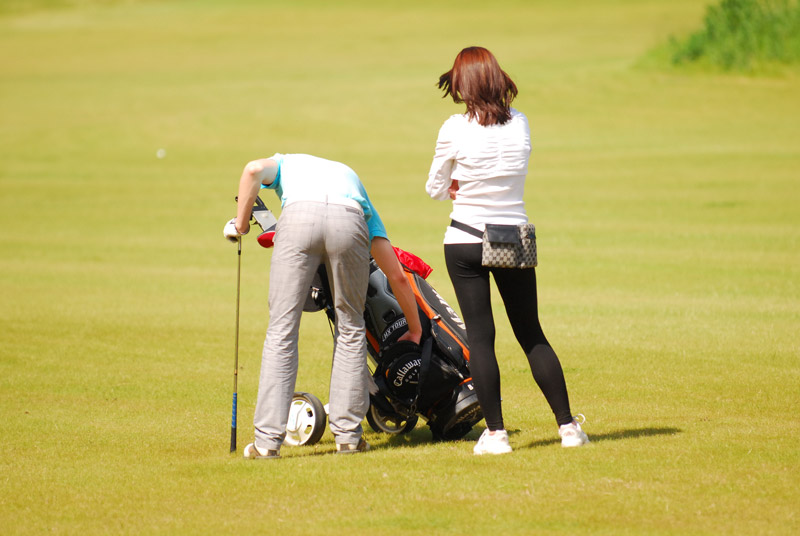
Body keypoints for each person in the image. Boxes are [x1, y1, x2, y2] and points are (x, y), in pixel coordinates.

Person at [425, 46, 589, 455]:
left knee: (481, 338)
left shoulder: (453, 128)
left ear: (463, 85)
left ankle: (496, 434)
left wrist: (454, 186)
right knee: (531, 332)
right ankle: (568, 428)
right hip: (512, 237)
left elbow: (434, 188)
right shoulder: (521, 123)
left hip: (464, 236)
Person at [224, 153, 422, 458]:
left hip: (298, 218)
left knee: (282, 329)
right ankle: (348, 437)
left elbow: (251, 170)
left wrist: (240, 225)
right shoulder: (352, 181)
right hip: (350, 218)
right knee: (351, 326)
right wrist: (416, 328)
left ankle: (266, 443)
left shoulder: (286, 163)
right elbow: (396, 274)